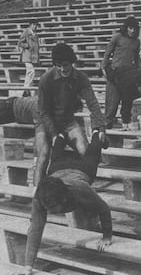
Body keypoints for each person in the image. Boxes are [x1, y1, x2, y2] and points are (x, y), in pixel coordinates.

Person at [22, 130, 112, 275]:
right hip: (57, 169)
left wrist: (107, 236)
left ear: (63, 198)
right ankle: (61, 137)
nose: (50, 211)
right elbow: (35, 230)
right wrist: (28, 267)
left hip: (81, 171)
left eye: (53, 208)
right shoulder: (39, 197)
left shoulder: (79, 188)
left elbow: (104, 209)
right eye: (48, 208)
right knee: (55, 158)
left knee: (92, 155)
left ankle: (96, 135)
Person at [38, 43, 107, 156]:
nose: (62, 69)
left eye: (65, 65)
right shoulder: (46, 79)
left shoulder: (81, 78)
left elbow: (93, 104)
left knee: (85, 151)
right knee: (43, 156)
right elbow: (43, 111)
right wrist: (54, 134)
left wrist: (101, 128)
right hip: (47, 122)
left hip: (68, 122)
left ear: (71, 62)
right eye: (58, 65)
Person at [0, 96, 80, 186]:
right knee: (41, 152)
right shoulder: (44, 109)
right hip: (11, 107)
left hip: (24, 116)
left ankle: (29, 188)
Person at [102, 16, 141, 129]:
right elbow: (107, 54)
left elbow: (137, 58)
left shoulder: (136, 42)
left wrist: (137, 71)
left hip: (127, 75)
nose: (132, 31)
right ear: (126, 28)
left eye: (134, 29)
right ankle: (107, 123)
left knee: (126, 99)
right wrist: (104, 68)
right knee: (112, 101)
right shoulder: (117, 37)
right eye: (130, 28)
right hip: (114, 73)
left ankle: (125, 123)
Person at [18, 19, 40, 97]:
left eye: (37, 25)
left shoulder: (35, 34)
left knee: (30, 73)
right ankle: (26, 89)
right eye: (34, 25)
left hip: (33, 56)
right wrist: (27, 46)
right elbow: (20, 42)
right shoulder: (26, 32)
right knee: (31, 71)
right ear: (31, 25)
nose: (36, 26)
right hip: (27, 55)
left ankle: (27, 90)